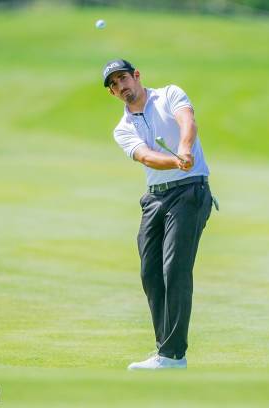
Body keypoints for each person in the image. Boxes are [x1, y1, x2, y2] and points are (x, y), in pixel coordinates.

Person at [103, 59, 213, 370]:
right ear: (112, 93)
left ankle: (173, 355)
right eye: (114, 85)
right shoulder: (122, 128)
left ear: (136, 76)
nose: (121, 86)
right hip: (155, 199)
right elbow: (147, 157)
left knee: (175, 269)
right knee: (150, 273)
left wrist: (186, 150)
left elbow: (187, 122)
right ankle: (164, 351)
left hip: (190, 191)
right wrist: (174, 161)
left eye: (124, 78)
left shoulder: (169, 94)